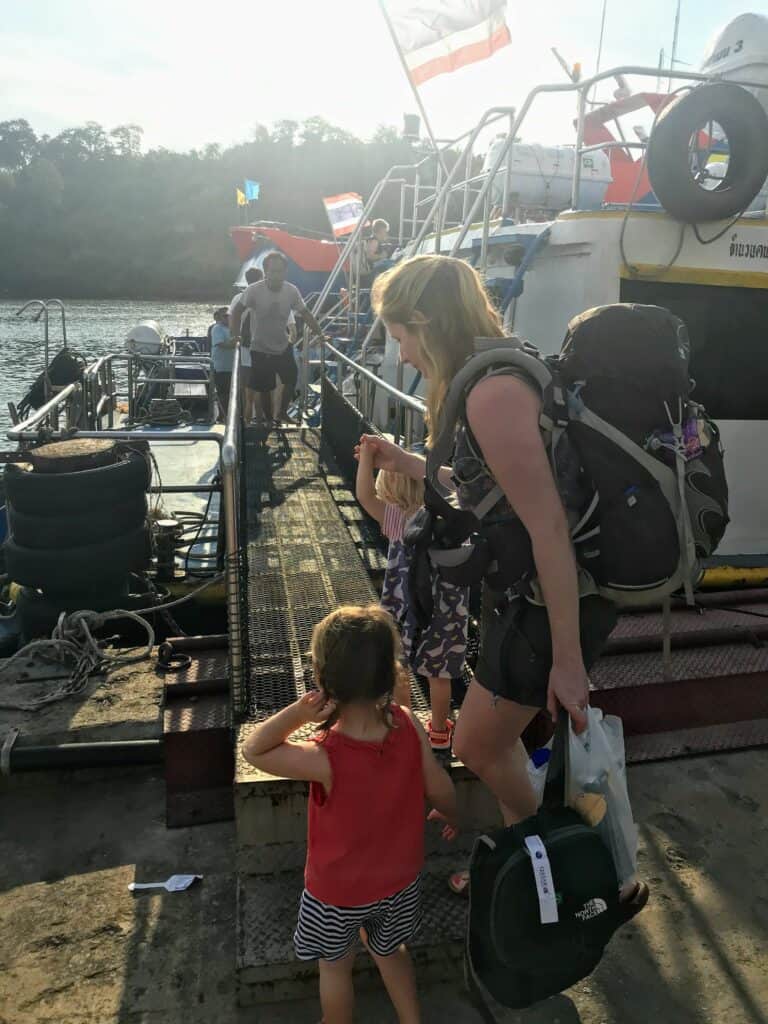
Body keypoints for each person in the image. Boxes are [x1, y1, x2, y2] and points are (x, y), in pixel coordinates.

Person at [363, 255, 648, 912]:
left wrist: (569, 665)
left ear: (427, 322)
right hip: (530, 597)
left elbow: (547, 525)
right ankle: (551, 870)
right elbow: (495, 489)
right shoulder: (494, 369)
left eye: (401, 336)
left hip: (549, 601)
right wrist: (409, 462)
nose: (401, 354)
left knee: (477, 742)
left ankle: (569, 875)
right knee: (492, 740)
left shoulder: (492, 392)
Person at [241, 604, 458, 1024]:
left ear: (323, 681)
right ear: (389, 674)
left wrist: (299, 714)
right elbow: (440, 788)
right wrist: (451, 815)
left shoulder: (325, 756)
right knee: (391, 951)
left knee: (335, 966)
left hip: (335, 893)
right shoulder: (410, 724)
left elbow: (254, 750)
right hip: (398, 880)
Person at [355, 437, 468, 750]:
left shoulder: (396, 520)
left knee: (400, 664)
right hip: (445, 607)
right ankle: (440, 731)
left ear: (389, 489)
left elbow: (364, 495)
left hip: (403, 605)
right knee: (440, 672)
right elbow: (465, 493)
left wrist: (366, 458)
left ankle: (406, 724)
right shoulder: (448, 520)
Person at [230, 251, 328, 425]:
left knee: (291, 378)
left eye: (281, 271)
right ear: (266, 271)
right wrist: (235, 334)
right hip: (259, 347)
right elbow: (237, 311)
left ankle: (282, 412)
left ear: (285, 272)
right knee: (265, 387)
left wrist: (320, 333)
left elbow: (305, 313)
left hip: (282, 345)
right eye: (273, 271)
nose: (277, 275)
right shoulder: (254, 290)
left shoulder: (291, 290)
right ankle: (269, 420)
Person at [228, 266, 264, 423]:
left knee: (246, 385)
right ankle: (260, 419)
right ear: (261, 278)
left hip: (244, 347)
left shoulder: (238, 298)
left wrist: (235, 336)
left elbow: (232, 319)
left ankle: (244, 419)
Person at [209, 307, 234, 420]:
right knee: (222, 393)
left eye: (229, 315)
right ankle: (221, 415)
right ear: (219, 317)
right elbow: (221, 344)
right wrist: (237, 342)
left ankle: (229, 414)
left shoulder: (233, 329)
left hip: (232, 367)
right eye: (225, 316)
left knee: (231, 392)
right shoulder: (217, 328)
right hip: (221, 367)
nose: (227, 318)